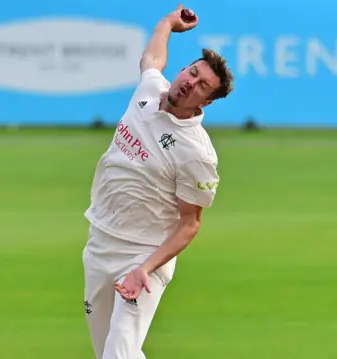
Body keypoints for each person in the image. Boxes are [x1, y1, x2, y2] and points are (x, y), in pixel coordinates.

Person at [82, 4, 234, 359]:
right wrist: (167, 23)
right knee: (108, 351)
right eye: (192, 73)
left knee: (118, 354)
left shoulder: (197, 154)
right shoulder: (150, 91)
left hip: (144, 255)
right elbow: (152, 59)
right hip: (100, 241)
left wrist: (144, 268)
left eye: (202, 86)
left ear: (207, 102)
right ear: (183, 69)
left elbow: (189, 226)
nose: (190, 84)